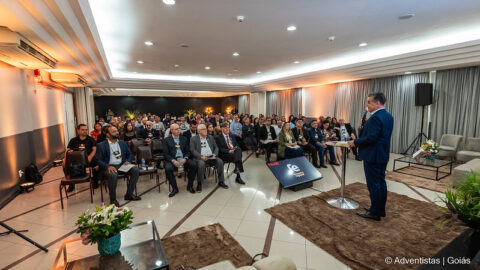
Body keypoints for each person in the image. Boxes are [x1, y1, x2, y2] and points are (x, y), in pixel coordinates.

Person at [348, 93, 393, 221]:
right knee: (381, 183)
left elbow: (371, 138)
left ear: (377, 103)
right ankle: (378, 208)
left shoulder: (375, 118)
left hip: (373, 155)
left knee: (374, 184)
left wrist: (355, 142)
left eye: (369, 102)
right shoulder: (388, 116)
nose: (366, 104)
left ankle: (375, 212)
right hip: (382, 154)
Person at [96, 126, 141, 207]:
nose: (117, 133)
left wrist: (128, 161)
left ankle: (129, 194)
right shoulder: (101, 145)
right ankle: (113, 199)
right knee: (113, 175)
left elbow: (130, 154)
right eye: (114, 131)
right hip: (109, 166)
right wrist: (107, 166)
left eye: (117, 131)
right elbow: (98, 160)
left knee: (136, 169)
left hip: (121, 165)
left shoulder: (122, 142)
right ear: (108, 135)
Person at [163, 124, 198, 197]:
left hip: (183, 159)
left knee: (194, 165)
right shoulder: (166, 140)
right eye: (176, 129)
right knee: (168, 169)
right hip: (173, 160)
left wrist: (185, 158)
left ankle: (190, 186)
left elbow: (188, 151)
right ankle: (175, 188)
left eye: (179, 128)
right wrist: (173, 161)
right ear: (172, 130)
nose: (179, 130)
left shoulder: (184, 139)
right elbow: (165, 154)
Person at [190, 124, 226, 192]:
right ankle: (199, 183)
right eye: (203, 129)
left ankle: (221, 181)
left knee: (220, 161)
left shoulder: (210, 137)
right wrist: (201, 156)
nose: (206, 130)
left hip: (211, 157)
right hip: (200, 158)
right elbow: (192, 150)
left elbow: (216, 147)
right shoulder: (193, 139)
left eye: (205, 128)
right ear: (199, 131)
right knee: (201, 164)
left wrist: (214, 154)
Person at [65, 124, 98, 192]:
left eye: (86, 130)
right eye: (83, 130)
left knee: (96, 163)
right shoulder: (73, 140)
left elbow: (94, 149)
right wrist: (65, 159)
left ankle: (95, 181)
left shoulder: (91, 139)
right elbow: (68, 150)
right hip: (76, 160)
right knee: (66, 164)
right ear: (78, 130)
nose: (85, 131)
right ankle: (71, 184)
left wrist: (90, 157)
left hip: (88, 158)